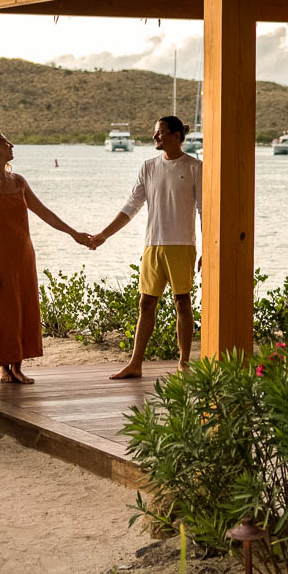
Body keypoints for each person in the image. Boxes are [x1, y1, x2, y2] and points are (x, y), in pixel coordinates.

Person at [89, 116, 201, 379]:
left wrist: (207, 251)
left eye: (160, 132)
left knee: (182, 302)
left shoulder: (195, 167)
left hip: (182, 245)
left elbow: (204, 211)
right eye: (155, 132)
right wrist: (104, 234)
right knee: (146, 303)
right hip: (153, 244)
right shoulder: (148, 167)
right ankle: (135, 363)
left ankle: (184, 362)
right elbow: (132, 205)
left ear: (176, 136)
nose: (155, 137)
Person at [0, 130, 92, 384]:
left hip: (23, 254)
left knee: (23, 307)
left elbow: (44, 212)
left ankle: (17, 366)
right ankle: (4, 367)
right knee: (3, 310)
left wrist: (73, 233)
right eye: (6, 143)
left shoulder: (18, 181)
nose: (11, 145)